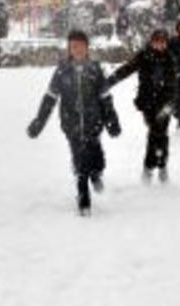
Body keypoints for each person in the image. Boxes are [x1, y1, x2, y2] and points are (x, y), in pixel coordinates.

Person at [27, 30, 121, 216]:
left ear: (87, 48)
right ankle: (83, 194)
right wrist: (39, 121)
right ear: (69, 49)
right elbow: (50, 98)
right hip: (71, 124)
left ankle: (96, 173)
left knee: (96, 156)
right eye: (73, 46)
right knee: (79, 160)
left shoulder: (95, 69)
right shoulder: (62, 71)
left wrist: (112, 120)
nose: (77, 50)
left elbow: (105, 97)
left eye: (81, 46)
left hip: (93, 122)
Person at [107, 29, 178, 184]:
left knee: (160, 134)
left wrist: (171, 103)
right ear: (152, 42)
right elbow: (127, 69)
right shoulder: (144, 56)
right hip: (148, 103)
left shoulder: (170, 59)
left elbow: (174, 85)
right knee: (155, 133)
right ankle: (157, 165)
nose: (159, 45)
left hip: (165, 104)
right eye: (156, 41)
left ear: (166, 43)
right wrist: (109, 82)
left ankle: (154, 167)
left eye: (162, 42)